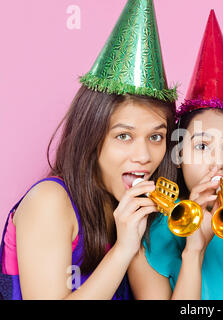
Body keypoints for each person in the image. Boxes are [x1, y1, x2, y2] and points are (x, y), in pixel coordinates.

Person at [0, 0, 178, 300]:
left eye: (156, 137)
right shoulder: (50, 201)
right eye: (124, 136)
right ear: (91, 136)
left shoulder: (129, 212)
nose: (145, 156)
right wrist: (123, 250)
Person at [128, 10, 223, 299]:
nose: (218, 163)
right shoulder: (148, 235)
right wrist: (194, 250)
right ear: (178, 154)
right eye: (202, 146)